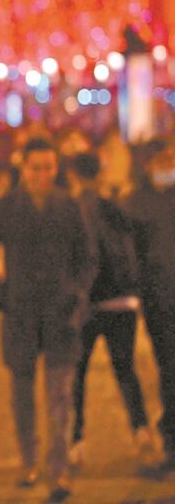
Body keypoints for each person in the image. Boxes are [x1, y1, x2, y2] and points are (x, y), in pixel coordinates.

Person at [0, 138, 97, 501]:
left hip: (61, 314)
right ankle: (28, 460)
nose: (43, 175)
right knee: (22, 394)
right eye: (35, 168)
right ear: (23, 168)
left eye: (48, 167)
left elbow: (87, 258)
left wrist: (77, 292)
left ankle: (57, 470)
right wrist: (0, 297)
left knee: (60, 397)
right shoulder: (7, 207)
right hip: (21, 315)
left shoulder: (68, 206)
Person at [65, 152, 156, 467]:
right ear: (100, 175)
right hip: (122, 302)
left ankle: (76, 439)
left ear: (74, 175)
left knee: (77, 372)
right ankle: (141, 429)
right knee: (125, 368)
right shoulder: (117, 208)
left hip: (89, 305)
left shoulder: (75, 210)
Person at [125, 140, 175, 472]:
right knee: (169, 371)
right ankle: (172, 439)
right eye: (164, 160)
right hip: (160, 302)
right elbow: (131, 257)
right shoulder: (134, 204)